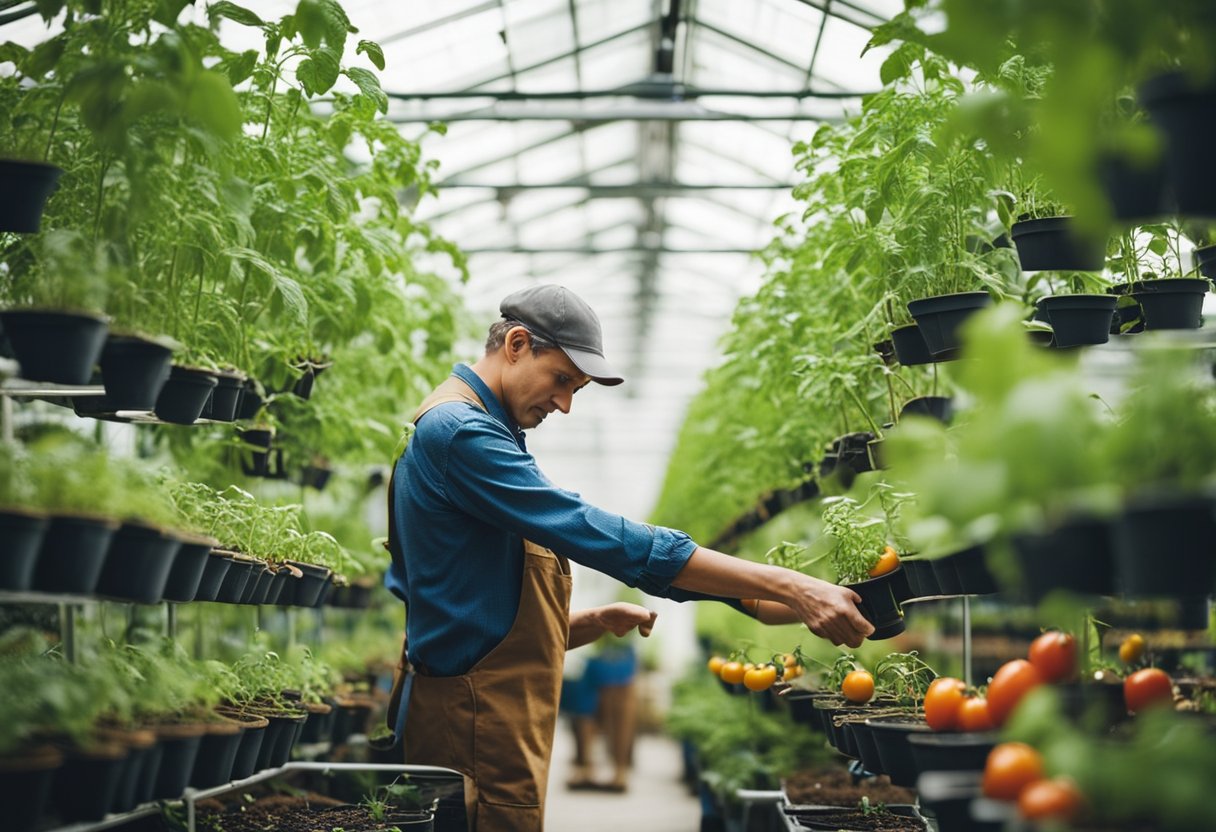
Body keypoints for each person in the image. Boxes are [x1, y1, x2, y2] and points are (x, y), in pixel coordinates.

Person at [384, 284, 873, 831]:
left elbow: (459, 603)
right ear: (517, 344)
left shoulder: (476, 427)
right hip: (471, 723)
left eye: (578, 389)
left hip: (471, 711)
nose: (565, 403)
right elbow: (598, 535)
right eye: (563, 380)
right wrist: (790, 586)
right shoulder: (463, 434)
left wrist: (578, 622)